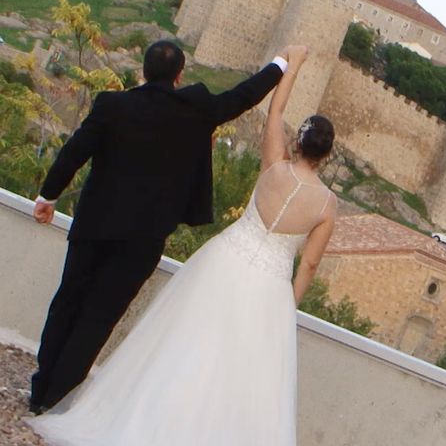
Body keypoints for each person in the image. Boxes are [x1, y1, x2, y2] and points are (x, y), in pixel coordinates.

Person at [27, 44, 337, 445]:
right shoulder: (196, 109)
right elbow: (242, 97)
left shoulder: (111, 105)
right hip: (149, 241)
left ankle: (40, 390)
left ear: (144, 70)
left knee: (68, 300)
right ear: (179, 75)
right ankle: (58, 395)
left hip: (100, 227)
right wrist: (279, 65)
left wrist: (48, 197)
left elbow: (74, 153)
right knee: (99, 319)